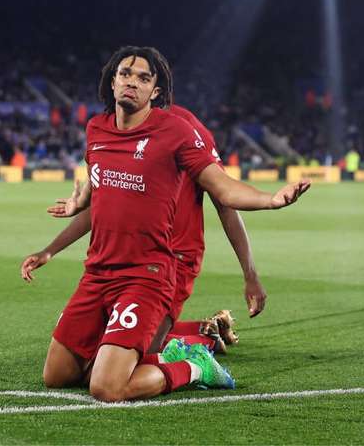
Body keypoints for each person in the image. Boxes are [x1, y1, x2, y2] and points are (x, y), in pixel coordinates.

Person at [23, 46, 309, 402]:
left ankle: (194, 366)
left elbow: (223, 191)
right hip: (97, 272)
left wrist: (270, 200)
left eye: (144, 77)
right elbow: (100, 199)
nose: (132, 82)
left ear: (156, 90)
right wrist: (52, 246)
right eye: (125, 74)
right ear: (112, 81)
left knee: (107, 386)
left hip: (151, 270)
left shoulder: (179, 130)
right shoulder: (96, 129)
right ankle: (190, 336)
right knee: (57, 376)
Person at [23, 102, 266, 356]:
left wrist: (250, 274)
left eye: (143, 77)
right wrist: (50, 251)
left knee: (130, 359)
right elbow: (103, 207)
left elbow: (225, 202)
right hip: (128, 258)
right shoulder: (114, 129)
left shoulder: (186, 130)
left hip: (173, 258)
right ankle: (205, 330)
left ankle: (200, 351)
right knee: (97, 350)